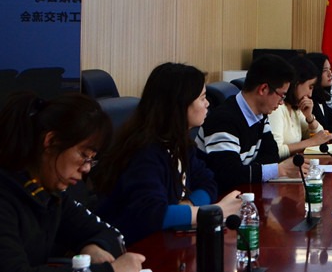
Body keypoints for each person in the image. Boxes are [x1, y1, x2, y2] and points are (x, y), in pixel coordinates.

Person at [93, 63, 243, 245]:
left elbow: (208, 182)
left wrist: (187, 206)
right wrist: (215, 211)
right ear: (180, 104)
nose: (207, 104)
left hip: (168, 240)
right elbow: (152, 214)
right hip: (135, 246)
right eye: (202, 98)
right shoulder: (144, 153)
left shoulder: (180, 143)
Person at [0, 92, 146, 272]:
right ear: (51, 141)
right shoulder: (6, 197)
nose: (87, 168)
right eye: (84, 155)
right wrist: (110, 270)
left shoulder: (50, 194)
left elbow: (112, 235)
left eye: (91, 160)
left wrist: (93, 247)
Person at [196, 54, 303, 193]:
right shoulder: (223, 120)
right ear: (263, 89)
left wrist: (249, 171)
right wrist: (278, 170)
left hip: (244, 191)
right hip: (219, 197)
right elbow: (228, 174)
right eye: (281, 95)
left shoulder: (260, 114)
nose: (281, 102)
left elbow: (271, 155)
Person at [267, 56, 332, 159]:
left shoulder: (296, 109)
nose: (310, 94)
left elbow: (321, 135)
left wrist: (309, 118)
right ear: (297, 83)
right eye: (310, 87)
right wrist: (311, 142)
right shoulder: (276, 108)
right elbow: (275, 151)